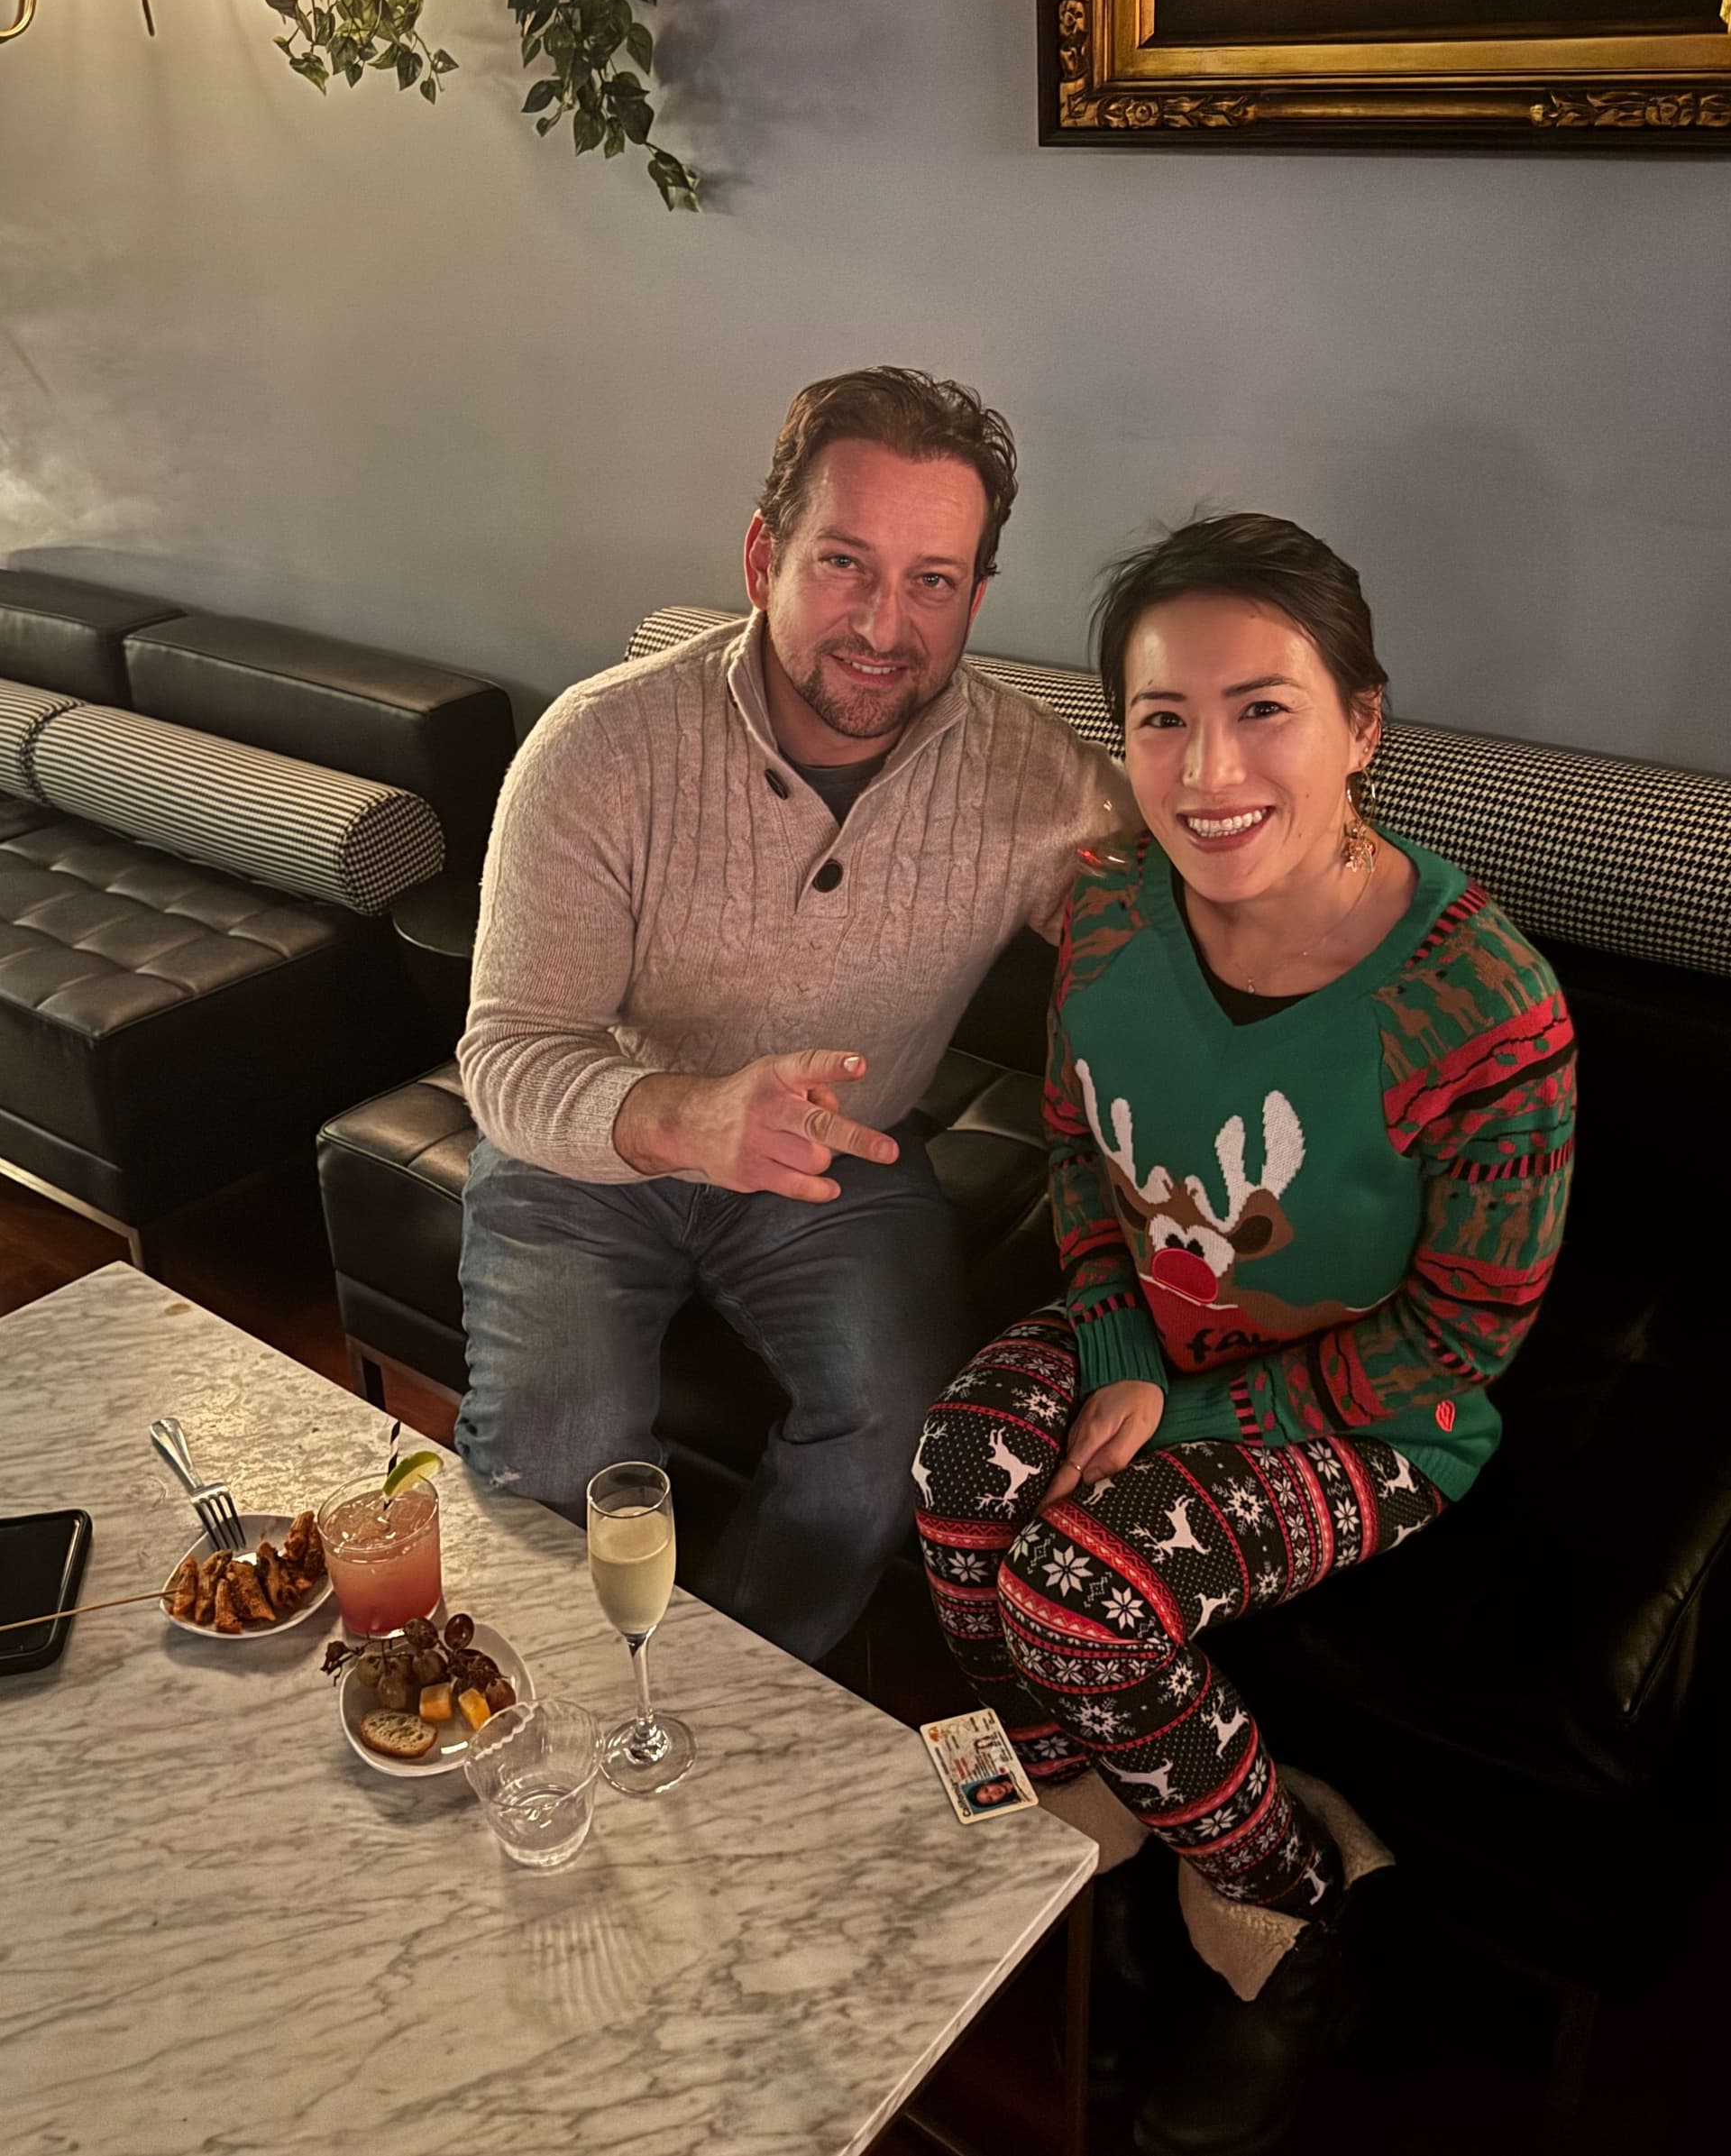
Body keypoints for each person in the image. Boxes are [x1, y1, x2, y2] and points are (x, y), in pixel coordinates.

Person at [913, 513, 1576, 2154]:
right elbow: (1078, 1152)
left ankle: (1289, 1898)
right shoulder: (1114, 917)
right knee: (952, 1473)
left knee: (1075, 1590)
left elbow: (1461, 1343)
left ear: (1363, 721)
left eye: (1263, 706)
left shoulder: (1483, 1010)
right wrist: (1121, 1343)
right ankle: (1104, 1799)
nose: (1208, 766)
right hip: (1155, 1335)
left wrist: (1197, 1419)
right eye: (1159, 717)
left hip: (1374, 1417)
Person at [456, 366, 1128, 1665]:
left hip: (844, 1161)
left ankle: (729, 1697)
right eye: (845, 563)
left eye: (934, 579)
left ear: (978, 598)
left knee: (905, 1436)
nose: (886, 624)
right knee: (557, 1458)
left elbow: (1188, 916)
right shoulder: (600, 746)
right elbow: (508, 1054)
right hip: (594, 1155)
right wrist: (686, 1116)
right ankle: (559, 1707)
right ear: (764, 554)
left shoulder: (1029, 775)